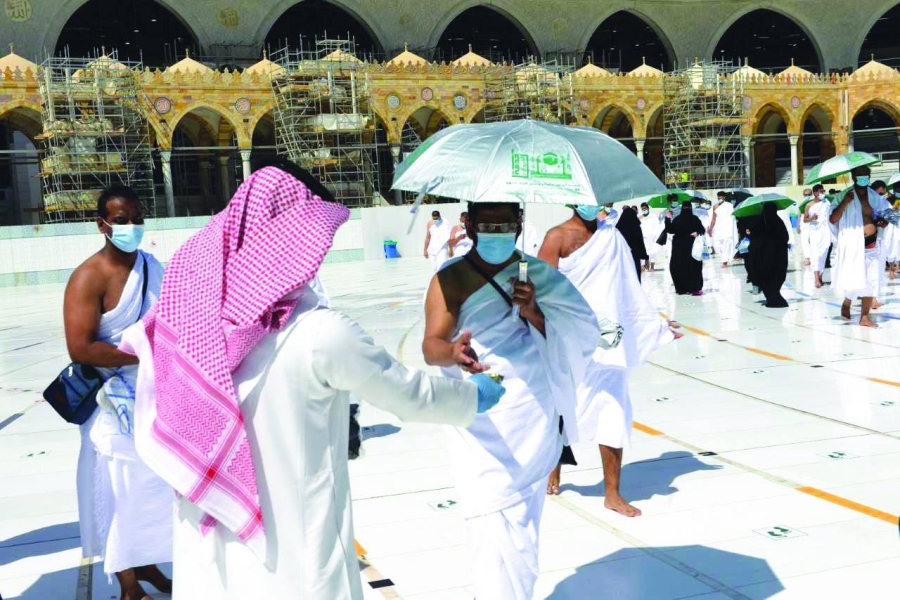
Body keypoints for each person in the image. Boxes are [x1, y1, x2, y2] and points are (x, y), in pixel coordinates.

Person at [121, 164, 505, 599]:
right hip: (296, 567)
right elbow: (408, 395)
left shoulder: (191, 333)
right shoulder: (320, 335)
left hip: (213, 567)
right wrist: (472, 396)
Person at [423, 201, 598, 599]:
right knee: (488, 513)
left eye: (505, 223)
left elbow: (582, 333)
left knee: (521, 522)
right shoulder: (451, 278)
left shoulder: (535, 273)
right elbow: (431, 345)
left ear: (519, 224)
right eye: (488, 224)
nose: (498, 231)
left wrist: (534, 310)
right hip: (479, 416)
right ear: (470, 224)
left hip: (531, 412)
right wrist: (452, 353)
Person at [63, 186, 172, 600]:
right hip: (109, 401)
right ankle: (127, 584)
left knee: (149, 485)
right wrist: (142, 354)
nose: (131, 226)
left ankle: (147, 564)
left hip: (152, 394)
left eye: (137, 218)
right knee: (116, 487)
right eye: (122, 220)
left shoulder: (151, 266)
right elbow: (81, 348)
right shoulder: (88, 277)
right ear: (102, 225)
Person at [539, 205, 677, 517]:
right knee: (562, 408)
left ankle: (612, 492)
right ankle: (553, 468)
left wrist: (654, 325)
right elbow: (541, 289)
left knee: (614, 411)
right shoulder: (556, 237)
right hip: (570, 340)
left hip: (610, 339)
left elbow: (628, 288)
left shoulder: (611, 237)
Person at [830, 165, 892, 327]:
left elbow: (886, 216)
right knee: (854, 278)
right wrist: (845, 202)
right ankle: (847, 302)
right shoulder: (843, 196)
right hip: (852, 244)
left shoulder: (875, 197)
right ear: (853, 177)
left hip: (871, 244)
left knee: (871, 280)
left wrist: (883, 222)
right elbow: (832, 219)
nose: (863, 177)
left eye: (866, 174)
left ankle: (864, 317)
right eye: (860, 174)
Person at [751, 202, 791, 308]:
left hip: (764, 258)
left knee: (767, 278)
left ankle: (773, 298)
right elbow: (785, 237)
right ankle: (774, 298)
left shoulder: (760, 221)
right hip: (777, 257)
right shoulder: (778, 222)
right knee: (775, 277)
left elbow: (754, 238)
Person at [665, 201, 705, 295]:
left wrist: (668, 219)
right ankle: (694, 288)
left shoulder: (677, 219)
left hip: (679, 248)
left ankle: (681, 288)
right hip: (690, 246)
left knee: (679, 266)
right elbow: (702, 229)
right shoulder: (694, 219)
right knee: (692, 267)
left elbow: (670, 230)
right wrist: (697, 232)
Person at [806, 184, 833, 288]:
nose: (823, 193)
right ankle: (816, 278)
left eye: (823, 191)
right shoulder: (809, 205)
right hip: (815, 232)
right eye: (821, 191)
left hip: (825, 231)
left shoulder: (827, 202)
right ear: (815, 193)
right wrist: (812, 218)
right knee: (815, 254)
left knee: (824, 252)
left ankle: (820, 276)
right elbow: (805, 219)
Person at [615, 206, 649, 281]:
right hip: (635, 256)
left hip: (622, 257)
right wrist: (646, 258)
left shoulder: (618, 229)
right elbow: (641, 243)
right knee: (635, 277)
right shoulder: (636, 228)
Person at [709, 193, 738, 269]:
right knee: (717, 245)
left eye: (721, 197)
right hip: (718, 228)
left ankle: (724, 261)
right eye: (718, 197)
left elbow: (732, 217)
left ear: (724, 197)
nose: (719, 198)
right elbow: (713, 218)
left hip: (727, 228)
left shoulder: (729, 205)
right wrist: (710, 228)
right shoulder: (715, 206)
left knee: (726, 244)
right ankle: (724, 258)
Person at [639, 202, 662, 272]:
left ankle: (652, 267)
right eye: (642, 209)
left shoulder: (653, 216)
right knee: (642, 252)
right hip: (643, 237)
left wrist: (656, 237)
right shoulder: (639, 217)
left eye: (645, 208)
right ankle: (643, 266)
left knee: (652, 252)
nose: (644, 210)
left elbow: (657, 227)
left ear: (648, 208)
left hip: (652, 237)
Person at [799, 188, 814, 266]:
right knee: (804, 242)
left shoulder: (814, 203)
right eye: (806, 195)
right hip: (804, 225)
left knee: (812, 241)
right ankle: (807, 258)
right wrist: (798, 225)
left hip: (812, 224)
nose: (807, 196)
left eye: (809, 194)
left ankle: (812, 258)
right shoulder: (802, 204)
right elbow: (799, 215)